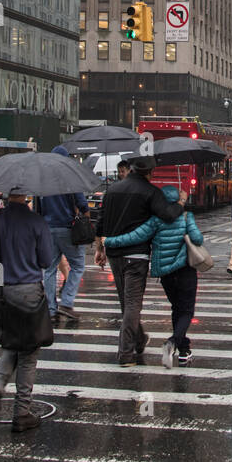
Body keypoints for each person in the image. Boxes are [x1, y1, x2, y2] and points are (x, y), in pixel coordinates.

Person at [0, 188, 55, 433]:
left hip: (0, 287)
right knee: (29, 352)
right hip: (28, 289)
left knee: (11, 342)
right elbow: (45, 260)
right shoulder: (36, 221)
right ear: (28, 193)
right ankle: (22, 413)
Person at [94, 154, 183, 366]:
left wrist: (99, 249)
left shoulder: (113, 190)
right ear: (150, 172)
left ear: (132, 169)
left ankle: (139, 339)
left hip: (115, 254)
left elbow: (100, 221)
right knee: (133, 304)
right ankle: (125, 354)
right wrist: (180, 202)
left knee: (126, 304)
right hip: (137, 256)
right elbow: (168, 215)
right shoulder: (151, 192)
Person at [104, 186, 204, 367]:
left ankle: (183, 350)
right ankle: (173, 342)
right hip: (185, 270)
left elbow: (134, 237)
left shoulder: (155, 221)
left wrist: (109, 241)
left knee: (176, 308)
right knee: (187, 310)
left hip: (166, 273)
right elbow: (197, 239)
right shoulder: (186, 217)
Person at [39, 144, 90, 326]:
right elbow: (82, 204)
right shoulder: (70, 178)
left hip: (47, 229)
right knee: (78, 265)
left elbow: (37, 208)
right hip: (68, 228)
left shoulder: (42, 181)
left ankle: (51, 310)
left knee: (50, 269)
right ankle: (67, 302)